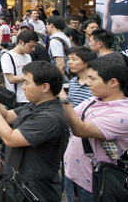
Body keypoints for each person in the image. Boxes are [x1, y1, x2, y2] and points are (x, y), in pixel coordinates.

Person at [0, 61, 69, 202]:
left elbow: (10, 139)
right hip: (15, 184)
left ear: (45, 87)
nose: (24, 87)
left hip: (33, 190)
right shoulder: (34, 105)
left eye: (27, 83)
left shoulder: (49, 117)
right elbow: (8, 116)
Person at [59, 56, 128, 201]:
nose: (88, 83)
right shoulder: (94, 100)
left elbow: (81, 130)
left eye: (92, 78)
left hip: (94, 182)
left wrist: (63, 98)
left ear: (113, 82)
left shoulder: (123, 113)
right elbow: (68, 117)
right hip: (72, 174)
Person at [0, 29, 39, 162]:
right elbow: (10, 78)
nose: (33, 49)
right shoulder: (7, 56)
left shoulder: (28, 56)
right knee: (11, 130)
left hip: (29, 99)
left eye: (34, 46)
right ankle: (5, 157)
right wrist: (30, 78)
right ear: (21, 42)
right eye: (30, 46)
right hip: (15, 100)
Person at [46, 16, 71, 80]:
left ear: (51, 25)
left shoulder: (55, 41)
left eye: (47, 25)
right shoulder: (65, 37)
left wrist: (58, 81)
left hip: (63, 77)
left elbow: (60, 65)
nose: (46, 27)